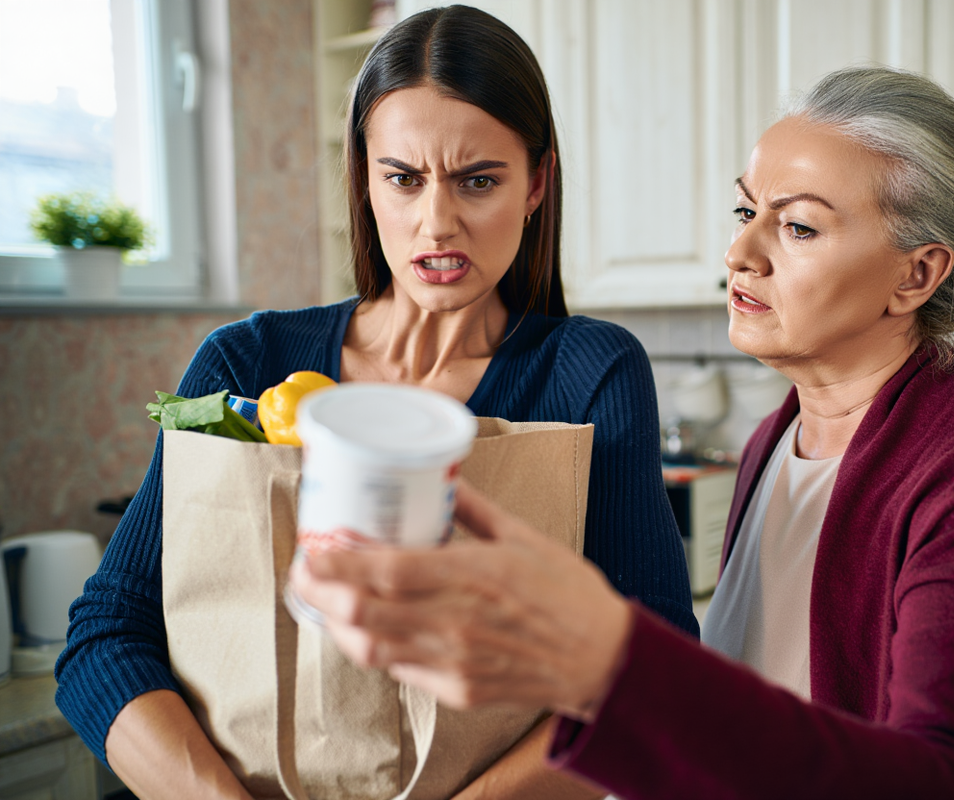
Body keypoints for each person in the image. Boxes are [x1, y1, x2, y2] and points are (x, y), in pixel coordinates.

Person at [292, 66, 954, 799]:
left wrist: (608, 664)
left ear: (916, 274)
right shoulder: (778, 443)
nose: (739, 251)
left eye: (798, 227)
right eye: (746, 209)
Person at [54, 6, 696, 799]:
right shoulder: (249, 363)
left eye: (479, 180)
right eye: (404, 177)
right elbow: (106, 637)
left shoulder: (592, 373)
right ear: (364, 175)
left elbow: (653, 666)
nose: (437, 222)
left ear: (537, 184)